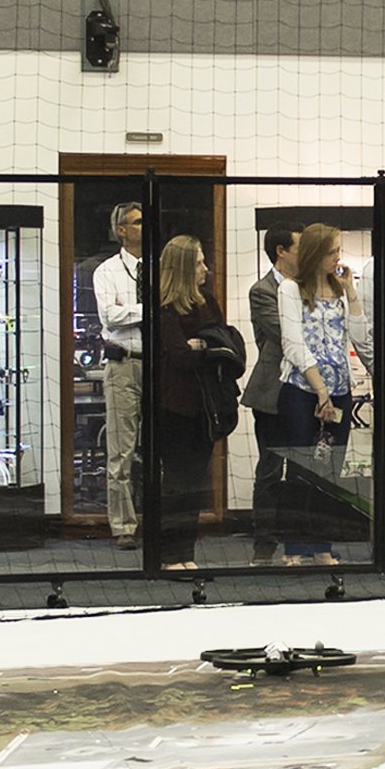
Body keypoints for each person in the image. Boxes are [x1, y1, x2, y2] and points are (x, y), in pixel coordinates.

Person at [274, 222, 369, 565]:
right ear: (315, 254)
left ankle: (322, 545)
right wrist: (320, 391)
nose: (337, 258)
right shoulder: (290, 289)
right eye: (331, 252)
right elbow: (293, 343)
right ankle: (296, 548)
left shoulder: (340, 291)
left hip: (341, 391)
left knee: (330, 469)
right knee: (301, 468)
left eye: (338, 251)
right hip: (303, 390)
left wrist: (351, 292)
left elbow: (360, 336)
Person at [151, 235, 239, 571]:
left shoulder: (208, 302)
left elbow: (225, 343)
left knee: (196, 483)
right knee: (175, 482)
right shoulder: (164, 307)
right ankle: (168, 555)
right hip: (174, 407)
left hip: (205, 405)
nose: (206, 268)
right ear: (185, 267)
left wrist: (201, 344)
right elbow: (179, 355)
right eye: (200, 262)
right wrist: (205, 347)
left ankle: (186, 554)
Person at [240, 225, 298, 565]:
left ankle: (300, 544)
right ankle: (264, 545)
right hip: (272, 392)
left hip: (305, 390)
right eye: (299, 247)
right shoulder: (262, 291)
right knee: (271, 469)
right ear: (281, 250)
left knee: (306, 470)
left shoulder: (311, 288)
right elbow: (288, 333)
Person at [93, 201, 148, 547]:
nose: (146, 227)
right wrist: (150, 309)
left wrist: (138, 311)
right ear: (121, 230)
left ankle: (159, 518)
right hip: (123, 364)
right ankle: (124, 527)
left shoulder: (160, 268)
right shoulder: (107, 271)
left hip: (160, 365)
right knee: (121, 451)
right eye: (139, 222)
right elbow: (110, 317)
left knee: (161, 448)